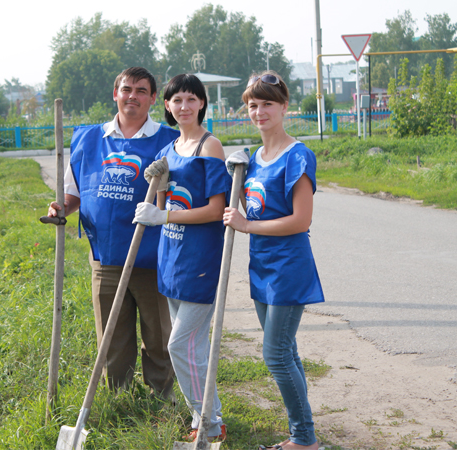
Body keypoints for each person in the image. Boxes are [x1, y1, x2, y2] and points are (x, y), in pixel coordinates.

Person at [47, 67, 178, 398]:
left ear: (152, 98)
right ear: (115, 94)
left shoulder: (168, 141)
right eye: (126, 89)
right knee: (111, 337)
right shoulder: (89, 139)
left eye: (141, 91)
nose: (132, 95)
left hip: (153, 257)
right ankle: (118, 399)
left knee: (159, 336)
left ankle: (161, 400)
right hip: (105, 257)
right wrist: (60, 207)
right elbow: (73, 194)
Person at [223, 71, 324, 450]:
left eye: (268, 103)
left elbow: (301, 220)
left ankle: (304, 439)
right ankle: (304, 433)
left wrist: (247, 225)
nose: (260, 111)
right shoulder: (254, 158)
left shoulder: (298, 155)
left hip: (288, 268)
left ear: (284, 107)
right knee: (287, 351)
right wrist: (236, 172)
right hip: (261, 266)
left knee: (276, 355)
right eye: (253, 105)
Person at [133, 74, 230, 443]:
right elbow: (162, 204)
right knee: (194, 348)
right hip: (171, 258)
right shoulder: (168, 150)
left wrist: (165, 216)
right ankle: (204, 419)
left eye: (192, 99)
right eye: (178, 101)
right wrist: (156, 187)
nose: (185, 106)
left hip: (200, 260)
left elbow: (214, 209)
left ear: (202, 103)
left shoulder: (210, 146)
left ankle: (209, 421)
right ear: (168, 107)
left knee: (179, 344)